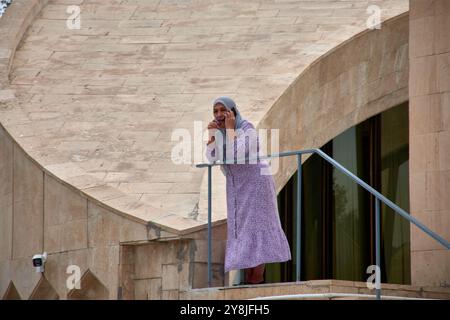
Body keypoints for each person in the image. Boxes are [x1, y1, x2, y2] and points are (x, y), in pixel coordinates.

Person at [205, 96, 291, 284]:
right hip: (237, 188)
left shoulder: (247, 129)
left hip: (257, 185)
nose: (219, 114)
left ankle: (255, 280)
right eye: (215, 111)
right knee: (242, 228)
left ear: (233, 111)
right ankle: (251, 280)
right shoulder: (220, 132)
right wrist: (212, 137)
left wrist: (228, 130)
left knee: (256, 227)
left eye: (223, 110)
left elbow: (236, 154)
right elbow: (211, 159)